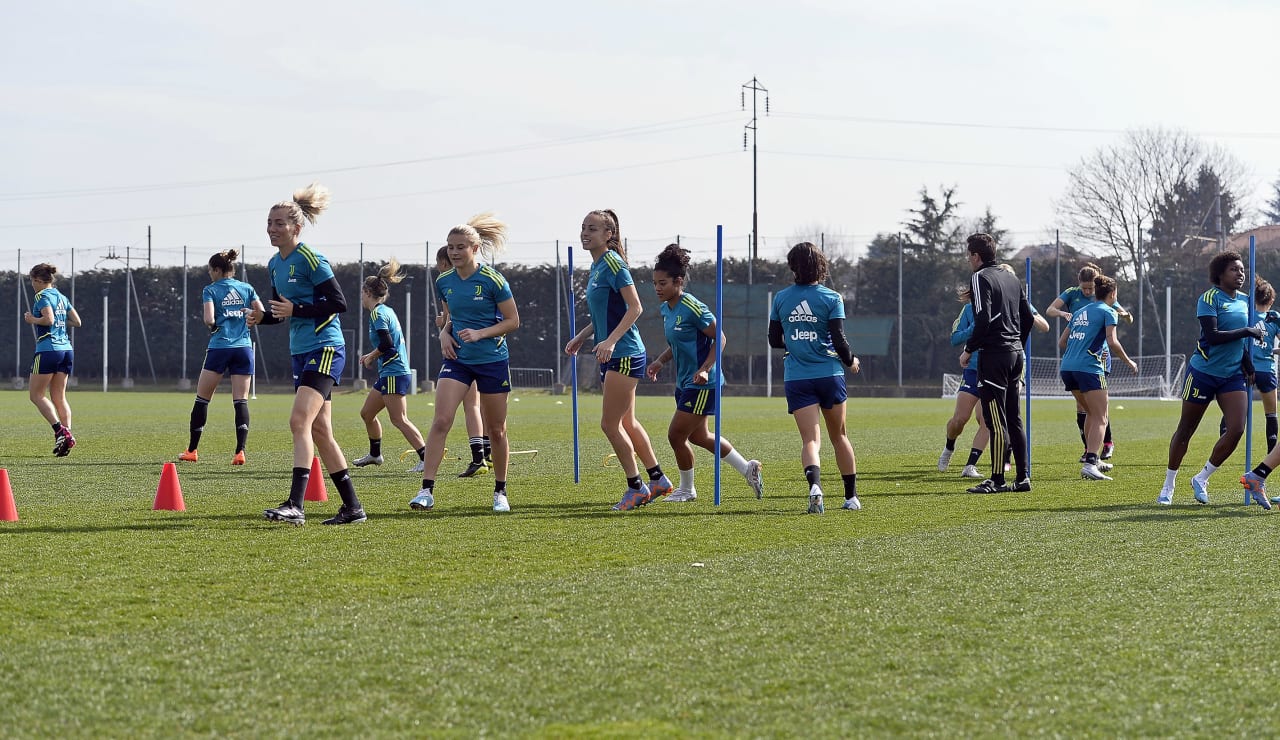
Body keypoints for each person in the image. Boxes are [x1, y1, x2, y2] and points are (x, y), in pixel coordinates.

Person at [248, 182, 366, 526]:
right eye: (269, 222)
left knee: (299, 421)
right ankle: (353, 508)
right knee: (320, 431)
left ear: (296, 227)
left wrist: (295, 308)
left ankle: (295, 505)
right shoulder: (274, 264)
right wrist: (262, 317)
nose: (272, 228)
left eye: (279, 223)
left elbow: (338, 303)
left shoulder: (310, 258)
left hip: (325, 347)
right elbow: (283, 311)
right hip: (300, 351)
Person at [410, 213, 521, 513]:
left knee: (496, 429)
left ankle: (500, 492)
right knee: (442, 420)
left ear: (474, 248)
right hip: (458, 360)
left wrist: (482, 333)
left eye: (460, 246)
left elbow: (513, 321)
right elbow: (450, 318)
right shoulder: (443, 281)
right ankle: (426, 490)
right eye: (450, 247)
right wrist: (444, 334)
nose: (454, 252)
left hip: (492, 360)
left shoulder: (493, 280)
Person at [565, 209, 672, 511]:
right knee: (627, 422)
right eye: (583, 227)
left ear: (609, 235)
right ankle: (658, 479)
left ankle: (636, 487)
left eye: (594, 229)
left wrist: (610, 341)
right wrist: (582, 336)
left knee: (610, 425)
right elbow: (603, 315)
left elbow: (635, 308)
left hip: (624, 353)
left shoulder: (613, 265)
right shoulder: (598, 266)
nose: (586, 233)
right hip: (614, 352)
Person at [644, 244, 764, 502]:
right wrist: (660, 362)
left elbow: (719, 338)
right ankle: (747, 469)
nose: (657, 288)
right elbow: (679, 343)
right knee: (699, 436)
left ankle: (687, 490)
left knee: (675, 435)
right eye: (654, 282)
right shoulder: (667, 308)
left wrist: (705, 370)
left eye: (662, 283)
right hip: (686, 381)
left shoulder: (693, 307)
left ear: (678, 281)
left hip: (702, 383)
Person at [1160, 251, 1263, 506]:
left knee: (1236, 428)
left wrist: (1248, 364)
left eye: (1242, 270)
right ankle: (1168, 485)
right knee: (1186, 429)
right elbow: (1214, 336)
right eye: (1234, 270)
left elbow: (1240, 345)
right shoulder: (1208, 299)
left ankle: (1202, 478)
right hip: (1203, 372)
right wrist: (1248, 330)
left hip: (1231, 376)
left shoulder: (1246, 301)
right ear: (1219, 274)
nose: (1240, 274)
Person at [768, 242, 861, 514]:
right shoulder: (832, 298)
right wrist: (851, 361)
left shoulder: (781, 298)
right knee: (839, 436)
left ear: (793, 267)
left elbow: (774, 340)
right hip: (829, 375)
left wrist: (797, 342)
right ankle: (851, 497)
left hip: (797, 378)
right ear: (821, 266)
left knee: (811, 441)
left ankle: (815, 487)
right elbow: (840, 340)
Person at [960, 233, 1034, 494]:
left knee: (994, 420)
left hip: (994, 356)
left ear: (976, 256)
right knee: (1013, 418)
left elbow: (983, 319)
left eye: (969, 255)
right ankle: (1023, 478)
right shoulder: (1011, 277)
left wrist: (969, 349)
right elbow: (1028, 318)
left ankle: (997, 479)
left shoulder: (980, 277)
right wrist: (1018, 344)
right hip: (1015, 355)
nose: (968, 260)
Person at [179, 250, 265, 465]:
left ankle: (192, 450)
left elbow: (208, 319)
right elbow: (261, 312)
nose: (209, 274)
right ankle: (240, 452)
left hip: (220, 347)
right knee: (241, 400)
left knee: (202, 399)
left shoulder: (211, 290)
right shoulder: (246, 288)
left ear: (217, 270)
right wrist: (248, 317)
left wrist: (216, 324)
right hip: (244, 348)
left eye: (210, 270)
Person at [1045, 262, 1133, 461]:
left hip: (1086, 361)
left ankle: (1104, 446)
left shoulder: (1104, 304)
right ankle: (1091, 454)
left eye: (1090, 288)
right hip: (1087, 362)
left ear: (1097, 287)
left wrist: (1126, 316)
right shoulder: (1074, 296)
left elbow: (1124, 316)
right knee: (1092, 410)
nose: (1087, 291)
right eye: (1084, 288)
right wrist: (1129, 362)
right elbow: (1050, 311)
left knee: (1095, 409)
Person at [1059, 275, 1138, 481]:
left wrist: (1077, 353)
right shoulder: (1108, 311)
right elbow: (1112, 342)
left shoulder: (1078, 312)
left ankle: (1091, 456)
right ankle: (1091, 462)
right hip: (1089, 369)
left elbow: (1062, 342)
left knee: (1089, 413)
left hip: (1067, 367)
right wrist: (1129, 362)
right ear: (1113, 294)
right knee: (1101, 416)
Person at [352, 259, 428, 474]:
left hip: (394, 372)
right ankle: (375, 455)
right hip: (389, 372)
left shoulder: (378, 313)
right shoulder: (386, 311)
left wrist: (370, 357)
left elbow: (388, 345)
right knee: (367, 413)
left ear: (367, 292)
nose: (360, 296)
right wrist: (372, 354)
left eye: (361, 292)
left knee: (399, 419)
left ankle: (426, 457)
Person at [431, 245, 491, 477]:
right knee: (474, 406)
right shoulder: (452, 281)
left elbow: (451, 316)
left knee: (471, 406)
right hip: (465, 350)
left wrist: (442, 324)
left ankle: (480, 458)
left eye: (439, 265)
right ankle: (483, 455)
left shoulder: (448, 281)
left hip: (465, 353)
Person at [23, 263, 82, 457]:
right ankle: (67, 437)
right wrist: (60, 323)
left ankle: (60, 430)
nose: (32, 285)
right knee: (59, 397)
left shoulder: (42, 296)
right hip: (66, 349)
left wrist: (33, 319)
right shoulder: (61, 297)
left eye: (32, 281)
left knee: (36, 395)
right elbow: (77, 322)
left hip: (48, 350)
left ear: (39, 280)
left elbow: (48, 319)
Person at [1219, 279, 1280, 453]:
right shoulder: (1274, 318)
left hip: (1244, 369)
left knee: (1233, 410)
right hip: (1267, 371)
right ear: (1271, 300)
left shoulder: (1246, 314)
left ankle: (1222, 446)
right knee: (1271, 414)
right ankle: (1271, 454)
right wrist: (1272, 350)